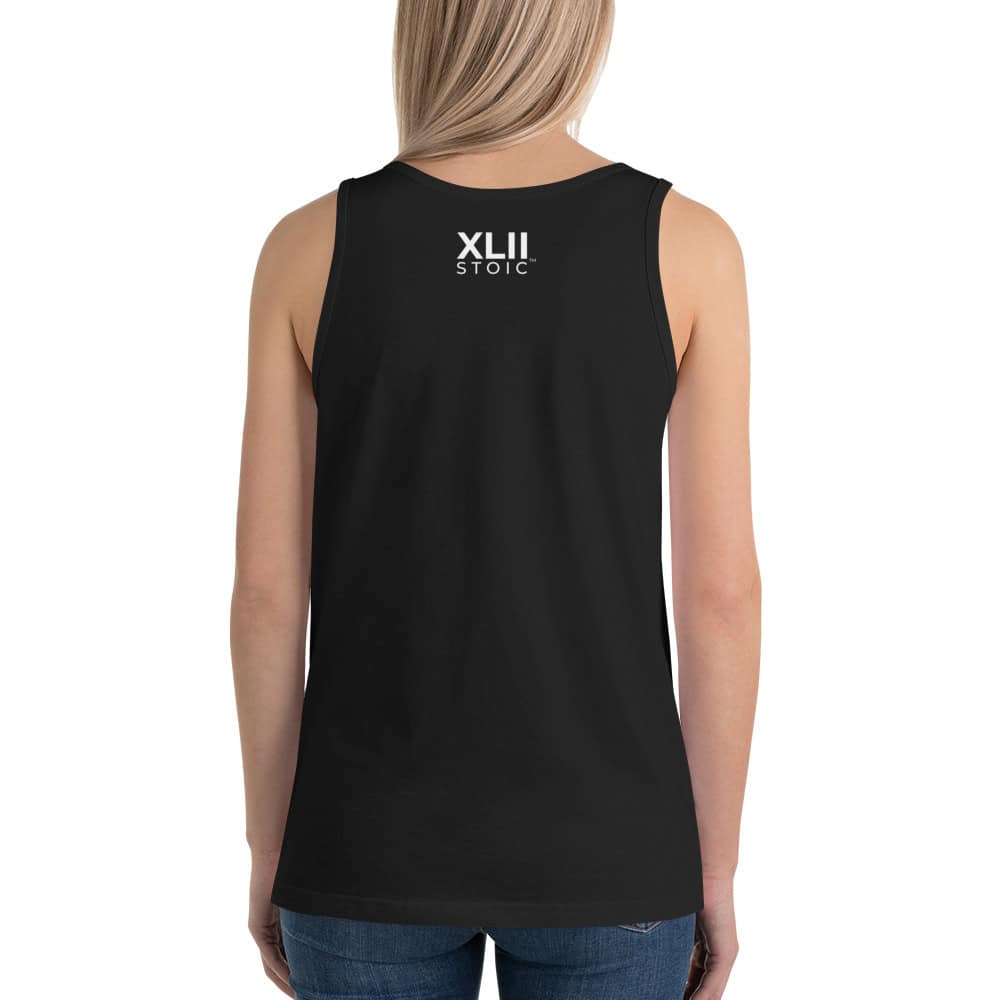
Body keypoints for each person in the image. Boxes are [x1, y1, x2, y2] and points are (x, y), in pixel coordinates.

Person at [230, 2, 760, 997]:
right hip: (612, 848)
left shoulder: (307, 248)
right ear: (582, 29)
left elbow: (265, 592)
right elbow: (720, 595)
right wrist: (716, 867)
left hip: (361, 846)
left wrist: (268, 848)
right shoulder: (688, 246)